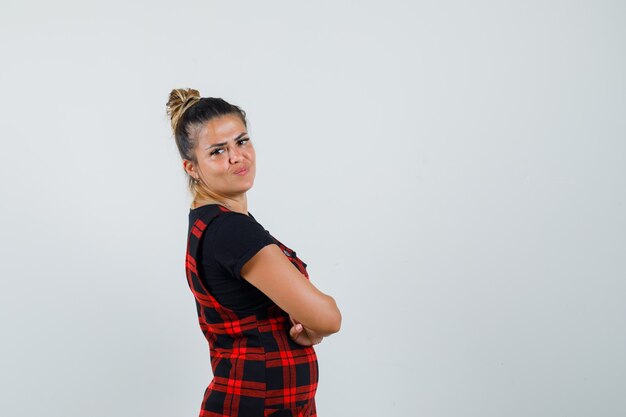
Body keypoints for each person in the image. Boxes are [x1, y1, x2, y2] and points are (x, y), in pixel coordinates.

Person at [166, 88, 342, 417]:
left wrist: (311, 319)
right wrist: (314, 320)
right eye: (218, 151)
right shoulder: (231, 232)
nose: (236, 156)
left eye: (242, 141)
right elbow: (328, 317)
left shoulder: (218, 224)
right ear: (192, 168)